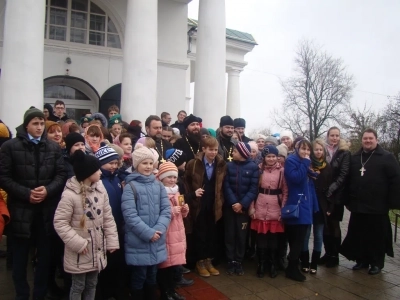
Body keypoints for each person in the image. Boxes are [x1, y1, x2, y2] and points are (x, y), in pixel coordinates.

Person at [0, 107, 66, 299]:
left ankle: (39, 294)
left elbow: (60, 175)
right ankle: (21, 295)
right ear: (26, 125)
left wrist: (47, 190)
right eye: (35, 124)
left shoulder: (53, 148)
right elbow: (4, 177)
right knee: (20, 259)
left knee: (44, 259)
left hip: (46, 212)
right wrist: (26, 193)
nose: (39, 127)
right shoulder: (10, 147)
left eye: (41, 123)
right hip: (21, 211)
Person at [54, 150, 119, 300]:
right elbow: (60, 222)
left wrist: (112, 241)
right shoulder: (70, 195)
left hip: (97, 248)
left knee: (92, 283)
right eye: (97, 170)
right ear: (87, 173)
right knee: (78, 285)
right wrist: (78, 243)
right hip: (80, 251)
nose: (100, 172)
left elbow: (107, 217)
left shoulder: (100, 189)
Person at [340, 128, 400, 275]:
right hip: (358, 206)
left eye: (370, 138)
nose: (367, 141)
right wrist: (347, 199)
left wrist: (393, 202)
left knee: (376, 237)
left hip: (377, 207)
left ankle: (376, 263)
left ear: (376, 140)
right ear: (362, 140)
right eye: (365, 138)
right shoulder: (355, 157)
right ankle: (362, 260)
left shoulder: (387, 157)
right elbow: (348, 181)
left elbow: (396, 180)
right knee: (359, 235)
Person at [121, 147, 171, 298]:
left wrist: (158, 230)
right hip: (139, 240)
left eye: (151, 163)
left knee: (152, 275)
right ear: (136, 165)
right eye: (144, 163)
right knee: (139, 275)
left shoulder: (158, 185)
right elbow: (130, 215)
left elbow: (166, 210)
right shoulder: (131, 187)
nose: (149, 166)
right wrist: (148, 233)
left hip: (156, 238)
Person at [184, 136, 227, 277]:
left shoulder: (220, 164)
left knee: (212, 234)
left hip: (214, 204)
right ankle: (200, 262)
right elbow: (186, 182)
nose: (213, 153)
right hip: (199, 204)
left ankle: (209, 260)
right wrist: (192, 195)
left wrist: (220, 199)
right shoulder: (194, 163)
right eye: (210, 150)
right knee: (200, 234)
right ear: (204, 149)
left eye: (215, 150)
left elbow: (222, 185)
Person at [249, 145, 288, 278]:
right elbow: (253, 189)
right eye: (268, 156)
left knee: (273, 238)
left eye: (273, 156)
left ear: (277, 157)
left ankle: (272, 264)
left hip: (275, 206)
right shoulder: (258, 169)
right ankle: (261, 263)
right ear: (264, 158)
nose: (271, 159)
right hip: (260, 205)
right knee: (261, 238)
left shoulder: (282, 171)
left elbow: (285, 191)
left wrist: (283, 209)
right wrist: (252, 207)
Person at [94, 144, 128, 299]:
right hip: (104, 229)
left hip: (118, 228)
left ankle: (117, 291)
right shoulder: (98, 182)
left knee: (118, 263)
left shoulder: (116, 179)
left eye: (116, 163)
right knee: (106, 265)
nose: (114, 166)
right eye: (110, 163)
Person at [283, 137, 318, 282]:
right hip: (296, 204)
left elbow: (309, 186)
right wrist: (305, 163)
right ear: (297, 149)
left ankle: (293, 265)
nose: (306, 152)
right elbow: (295, 178)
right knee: (296, 239)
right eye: (303, 148)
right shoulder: (291, 161)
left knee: (300, 238)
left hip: (306, 205)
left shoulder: (306, 164)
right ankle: (292, 268)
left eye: (308, 149)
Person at [224, 142, 259, 276]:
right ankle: (230, 260)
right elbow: (226, 186)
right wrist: (233, 202)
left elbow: (253, 188)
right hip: (230, 207)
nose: (232, 153)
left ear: (243, 153)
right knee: (230, 235)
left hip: (243, 209)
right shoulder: (228, 166)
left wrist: (242, 204)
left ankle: (238, 261)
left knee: (241, 235)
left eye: (235, 152)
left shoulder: (253, 167)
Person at [318, 126, 351, 268]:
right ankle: (327, 252)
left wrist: (330, 190)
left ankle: (335, 255)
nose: (335, 138)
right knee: (325, 224)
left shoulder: (344, 153)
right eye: (332, 135)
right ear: (328, 136)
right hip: (324, 194)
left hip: (336, 194)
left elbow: (343, 175)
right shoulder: (324, 151)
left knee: (334, 224)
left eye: (337, 135)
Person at [156, 162, 189, 300]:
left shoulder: (176, 191)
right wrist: (170, 211)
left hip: (177, 232)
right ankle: (165, 292)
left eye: (174, 177)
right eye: (169, 177)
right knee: (165, 265)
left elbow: (181, 213)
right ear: (162, 177)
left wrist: (184, 210)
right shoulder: (158, 192)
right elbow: (156, 212)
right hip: (166, 232)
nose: (172, 180)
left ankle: (172, 290)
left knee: (173, 264)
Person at [301, 139, 332, 275]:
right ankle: (305, 262)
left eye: (321, 149)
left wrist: (330, 207)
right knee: (306, 234)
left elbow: (332, 188)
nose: (318, 152)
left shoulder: (328, 167)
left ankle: (314, 262)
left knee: (318, 234)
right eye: (316, 149)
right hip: (308, 203)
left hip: (321, 205)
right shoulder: (307, 165)